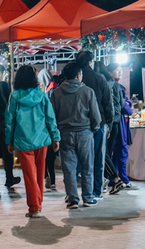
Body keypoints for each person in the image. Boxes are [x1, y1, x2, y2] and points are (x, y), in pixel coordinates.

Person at [6, 65, 61, 218]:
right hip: (42, 140)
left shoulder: (14, 97)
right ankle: (37, 205)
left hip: (23, 141)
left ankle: (34, 207)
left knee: (30, 176)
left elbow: (10, 121)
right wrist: (55, 137)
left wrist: (9, 141)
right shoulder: (42, 96)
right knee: (39, 174)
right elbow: (50, 118)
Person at [50, 63, 101, 208]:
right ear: (78, 75)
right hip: (85, 133)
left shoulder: (56, 93)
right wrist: (93, 129)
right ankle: (88, 198)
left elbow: (52, 116)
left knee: (69, 168)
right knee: (87, 166)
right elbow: (96, 116)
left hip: (64, 134)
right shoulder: (88, 91)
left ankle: (72, 199)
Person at [76, 51, 113, 199]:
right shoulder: (99, 78)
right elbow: (107, 103)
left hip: (80, 125)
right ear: (91, 62)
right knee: (98, 158)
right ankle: (96, 191)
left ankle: (80, 192)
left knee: (82, 159)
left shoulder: (75, 80)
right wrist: (109, 122)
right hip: (100, 124)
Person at [105, 62, 133, 193]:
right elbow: (124, 106)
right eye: (117, 70)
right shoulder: (117, 87)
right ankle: (123, 179)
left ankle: (112, 178)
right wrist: (129, 105)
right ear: (110, 72)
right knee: (121, 151)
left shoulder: (105, 85)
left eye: (121, 69)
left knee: (112, 153)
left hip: (110, 121)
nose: (120, 72)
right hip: (118, 121)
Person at [44, 73, 64, 190]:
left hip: (44, 133)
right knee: (51, 159)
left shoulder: (48, 92)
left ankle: (46, 177)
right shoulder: (56, 92)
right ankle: (52, 181)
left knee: (44, 159)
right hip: (54, 130)